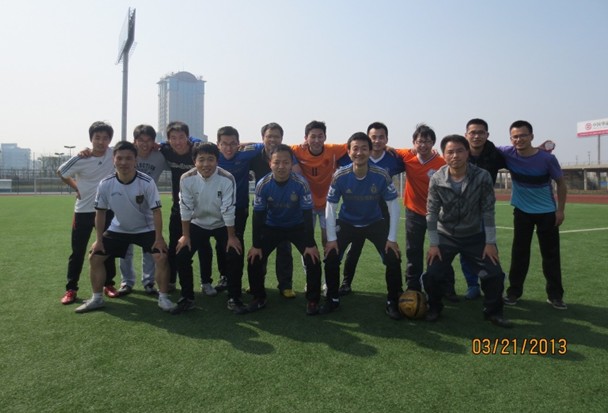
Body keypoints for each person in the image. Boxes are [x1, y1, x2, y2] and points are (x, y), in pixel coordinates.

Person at [74, 141, 176, 313]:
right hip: (119, 229)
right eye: (119, 158)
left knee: (161, 256)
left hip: (145, 229)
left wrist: (159, 239)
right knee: (95, 257)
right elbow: (100, 213)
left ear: (135, 160)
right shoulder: (105, 183)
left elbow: (156, 212)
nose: (124, 162)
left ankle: (164, 299)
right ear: (113, 160)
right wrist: (99, 240)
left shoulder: (147, 182)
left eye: (128, 158)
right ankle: (97, 299)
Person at [422, 135, 511, 327]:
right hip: (446, 235)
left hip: (475, 235)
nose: (455, 155)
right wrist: (434, 244)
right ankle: (434, 307)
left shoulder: (482, 176)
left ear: (467, 152)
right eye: (450, 152)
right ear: (444, 155)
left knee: (494, 274)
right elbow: (431, 212)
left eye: (460, 151)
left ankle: (493, 312)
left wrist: (490, 242)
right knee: (432, 274)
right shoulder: (437, 178)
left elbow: (488, 210)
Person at [322, 132, 404, 319]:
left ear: (370, 150)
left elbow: (393, 205)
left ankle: (392, 301)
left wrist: (392, 239)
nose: (359, 152)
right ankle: (332, 299)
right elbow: (330, 206)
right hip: (347, 222)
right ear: (349, 152)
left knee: (393, 257)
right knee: (331, 256)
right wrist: (332, 239)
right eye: (355, 149)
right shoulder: (340, 175)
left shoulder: (381, 175)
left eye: (364, 148)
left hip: (374, 222)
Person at [245, 144, 323, 315]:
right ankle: (259, 298)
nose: (281, 166)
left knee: (313, 258)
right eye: (277, 162)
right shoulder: (263, 185)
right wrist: (256, 245)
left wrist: (310, 244)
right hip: (272, 226)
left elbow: (307, 215)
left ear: (291, 164)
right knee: (254, 258)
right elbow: (258, 216)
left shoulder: (301, 183)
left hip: (297, 226)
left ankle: (313, 300)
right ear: (270, 163)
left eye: (286, 162)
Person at [498, 120, 567, 310]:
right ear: (510, 139)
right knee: (519, 254)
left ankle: (555, 296)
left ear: (532, 137)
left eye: (523, 135)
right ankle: (513, 293)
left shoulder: (547, 159)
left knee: (550, 256)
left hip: (547, 213)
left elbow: (561, 184)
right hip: (522, 212)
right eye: (515, 136)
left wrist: (560, 210)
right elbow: (482, 147)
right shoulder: (508, 152)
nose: (519, 139)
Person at [172, 142, 246, 314]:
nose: (206, 164)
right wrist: (185, 235)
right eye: (201, 159)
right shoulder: (186, 178)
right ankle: (187, 298)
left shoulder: (227, 178)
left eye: (210, 159)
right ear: (194, 161)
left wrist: (232, 237)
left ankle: (234, 298)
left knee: (235, 252)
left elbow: (228, 208)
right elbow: (185, 207)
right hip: (198, 223)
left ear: (217, 161)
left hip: (222, 224)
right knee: (182, 253)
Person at [339, 122, 404, 295]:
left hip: (382, 212)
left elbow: (411, 157)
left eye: (381, 137)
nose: (377, 141)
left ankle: (396, 291)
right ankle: (346, 283)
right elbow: (336, 150)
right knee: (354, 249)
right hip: (357, 210)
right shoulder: (352, 156)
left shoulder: (394, 158)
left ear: (387, 139)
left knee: (391, 250)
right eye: (373, 137)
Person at [57, 121, 118, 305]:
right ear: (91, 139)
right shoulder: (81, 158)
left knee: (107, 249)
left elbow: (134, 147)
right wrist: (76, 187)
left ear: (110, 140)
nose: (101, 141)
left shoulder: (113, 154)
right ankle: (71, 289)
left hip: (106, 211)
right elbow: (61, 171)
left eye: (105, 138)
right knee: (78, 251)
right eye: (97, 138)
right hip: (83, 211)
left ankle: (109, 284)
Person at [204, 126, 263, 297]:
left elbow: (264, 144)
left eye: (233, 144)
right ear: (218, 145)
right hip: (217, 208)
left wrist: (243, 144)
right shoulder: (213, 156)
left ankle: (235, 279)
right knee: (220, 243)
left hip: (239, 208)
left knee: (236, 242)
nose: (228, 148)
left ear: (238, 144)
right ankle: (224, 276)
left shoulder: (245, 155)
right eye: (224, 144)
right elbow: (193, 141)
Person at [393, 125, 448, 296]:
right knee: (413, 249)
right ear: (413, 142)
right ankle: (412, 285)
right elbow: (387, 149)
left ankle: (444, 285)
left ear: (433, 143)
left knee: (441, 249)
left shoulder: (442, 163)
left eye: (427, 141)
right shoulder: (407, 156)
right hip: (414, 212)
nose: (423, 145)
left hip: (437, 213)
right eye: (420, 141)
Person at [118, 124, 168, 296]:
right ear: (135, 141)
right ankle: (126, 282)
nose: (145, 144)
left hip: (149, 208)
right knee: (125, 249)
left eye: (149, 140)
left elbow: (178, 156)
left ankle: (149, 282)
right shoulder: (127, 155)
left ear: (154, 141)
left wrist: (163, 145)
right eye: (141, 140)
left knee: (149, 249)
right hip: (125, 206)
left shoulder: (160, 156)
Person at [249, 123, 295, 297]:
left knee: (284, 249)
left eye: (277, 136)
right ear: (263, 138)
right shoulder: (255, 156)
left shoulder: (287, 154)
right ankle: (257, 283)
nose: (273, 139)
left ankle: (285, 285)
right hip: (262, 209)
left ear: (282, 139)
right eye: (269, 136)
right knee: (260, 247)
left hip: (283, 209)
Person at [291, 121, 349, 247]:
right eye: (313, 136)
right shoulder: (297, 150)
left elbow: (357, 143)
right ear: (306, 138)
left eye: (320, 136)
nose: (316, 140)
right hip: (306, 203)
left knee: (327, 239)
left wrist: (387, 147)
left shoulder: (333, 150)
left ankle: (328, 259)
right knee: (307, 239)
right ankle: (308, 260)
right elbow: (274, 146)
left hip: (327, 203)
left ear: (325, 137)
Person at [159, 121, 199, 291]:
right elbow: (146, 146)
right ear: (168, 140)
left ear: (188, 138)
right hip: (179, 206)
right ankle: (171, 280)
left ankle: (206, 282)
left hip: (201, 207)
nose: (178, 142)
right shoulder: (165, 150)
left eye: (181, 137)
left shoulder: (197, 149)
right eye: (173, 138)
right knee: (174, 244)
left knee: (203, 245)